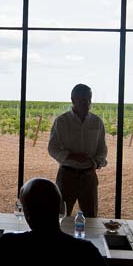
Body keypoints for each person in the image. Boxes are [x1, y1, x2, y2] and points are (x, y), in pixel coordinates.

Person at [47, 83, 107, 217]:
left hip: (89, 176)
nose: (87, 103)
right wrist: (71, 156)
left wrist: (96, 163)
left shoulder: (97, 122)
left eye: (89, 99)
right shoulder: (61, 121)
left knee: (91, 217)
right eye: (82, 100)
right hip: (66, 176)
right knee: (61, 216)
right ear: (73, 100)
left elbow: (102, 148)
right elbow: (52, 148)